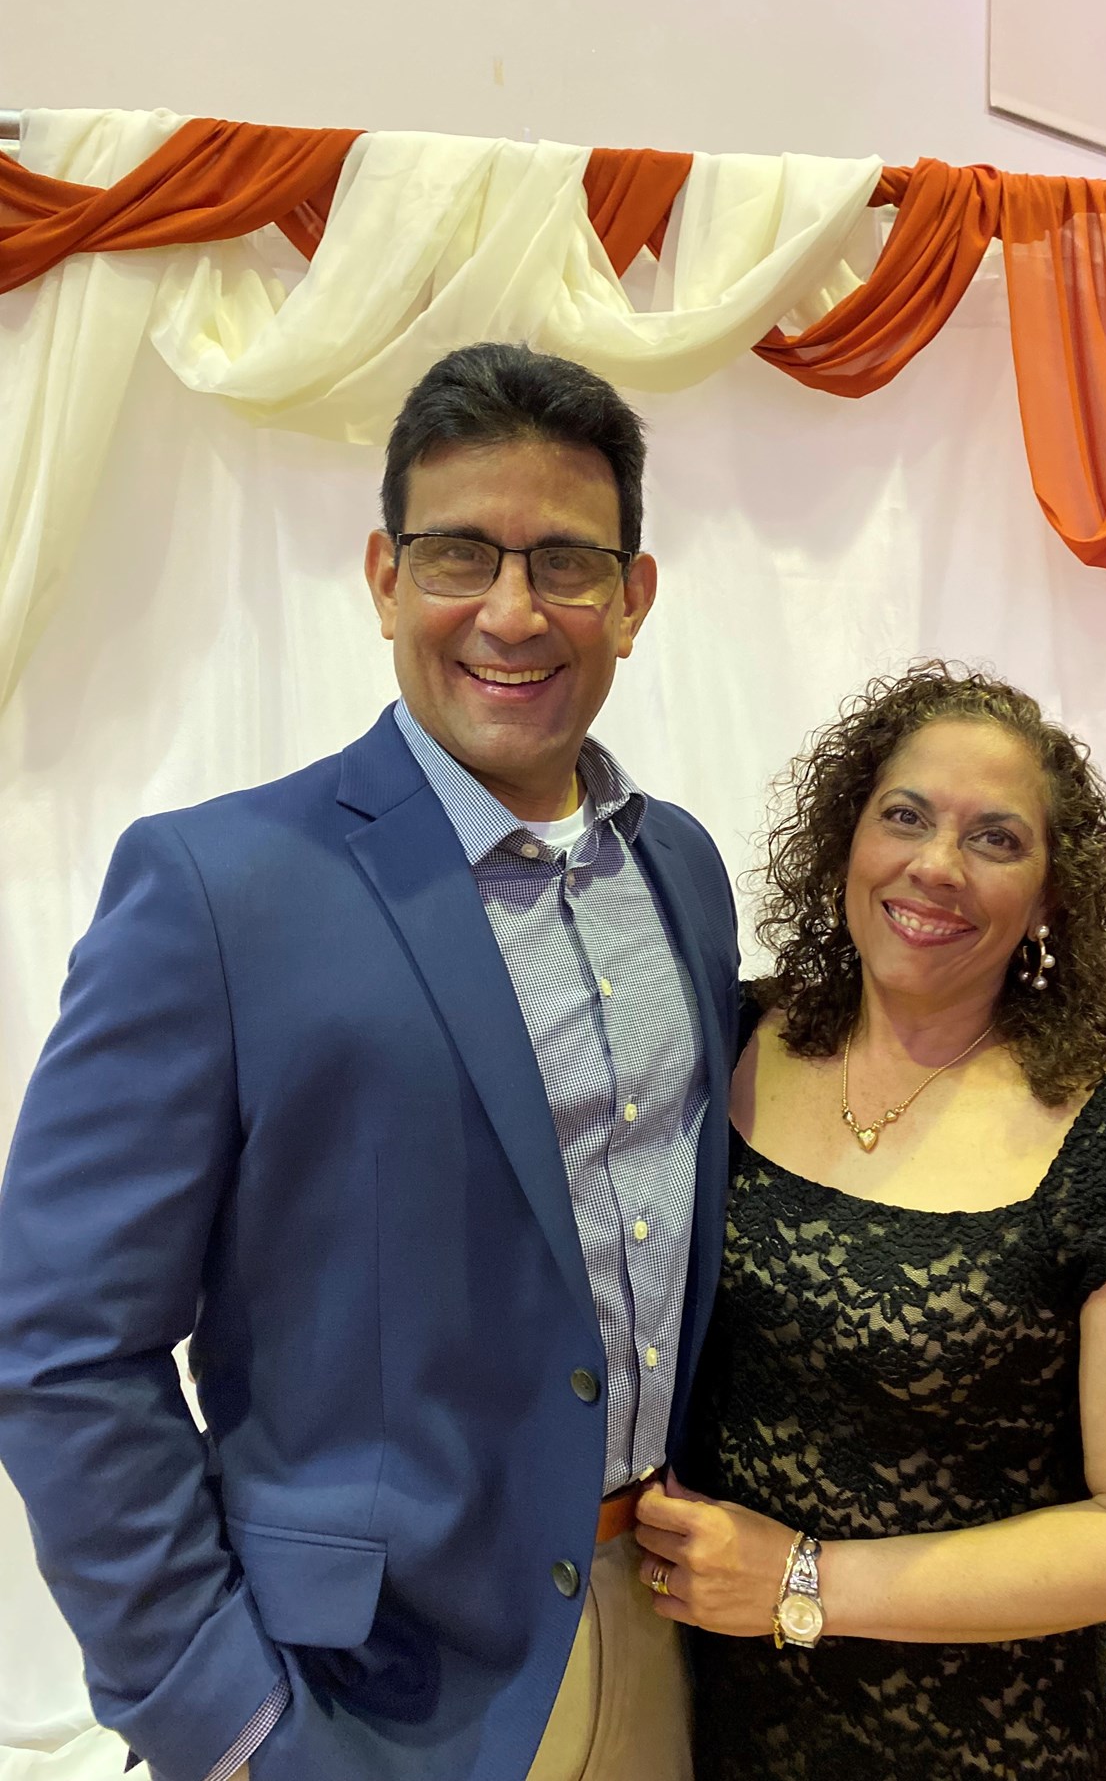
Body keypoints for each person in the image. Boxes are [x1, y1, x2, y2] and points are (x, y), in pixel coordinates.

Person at [0, 343, 739, 1781]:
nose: (513, 612)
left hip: (665, 1630)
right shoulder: (220, 889)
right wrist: (223, 1721)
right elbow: (63, 1343)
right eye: (461, 554)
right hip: (360, 1697)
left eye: (568, 563)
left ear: (633, 598)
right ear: (384, 577)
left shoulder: (683, 874)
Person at [632, 663, 1106, 1780]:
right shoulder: (731, 1035)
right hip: (706, 1707)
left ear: (1050, 898)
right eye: (904, 816)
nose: (937, 866)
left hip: (976, 1737)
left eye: (996, 838)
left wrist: (802, 1582)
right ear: (846, 840)